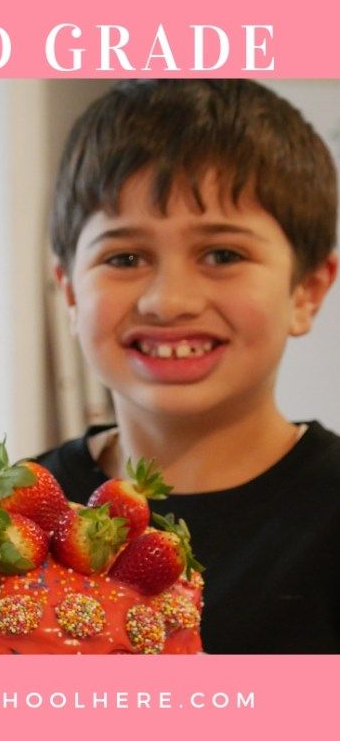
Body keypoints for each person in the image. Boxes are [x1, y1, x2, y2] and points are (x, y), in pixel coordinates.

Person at [37, 79, 340, 653]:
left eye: (223, 255)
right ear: (71, 294)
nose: (168, 300)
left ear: (307, 291)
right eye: (124, 257)